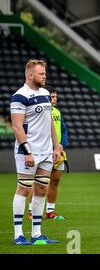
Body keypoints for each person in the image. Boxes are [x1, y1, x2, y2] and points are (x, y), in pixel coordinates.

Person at [10, 59, 62, 245]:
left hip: (46, 151)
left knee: (41, 189)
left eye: (45, 73)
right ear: (30, 75)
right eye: (41, 74)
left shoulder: (46, 93)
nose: (44, 76)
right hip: (28, 152)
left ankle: (37, 233)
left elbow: (49, 121)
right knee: (23, 189)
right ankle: (18, 235)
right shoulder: (20, 96)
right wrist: (27, 152)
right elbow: (17, 127)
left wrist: (56, 145)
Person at [27, 86, 69, 220]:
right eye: (52, 97)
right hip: (42, 151)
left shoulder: (57, 112)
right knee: (38, 181)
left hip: (57, 151)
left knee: (55, 181)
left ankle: (50, 211)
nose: (55, 99)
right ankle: (31, 211)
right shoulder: (38, 111)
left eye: (56, 97)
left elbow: (63, 130)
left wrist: (62, 144)